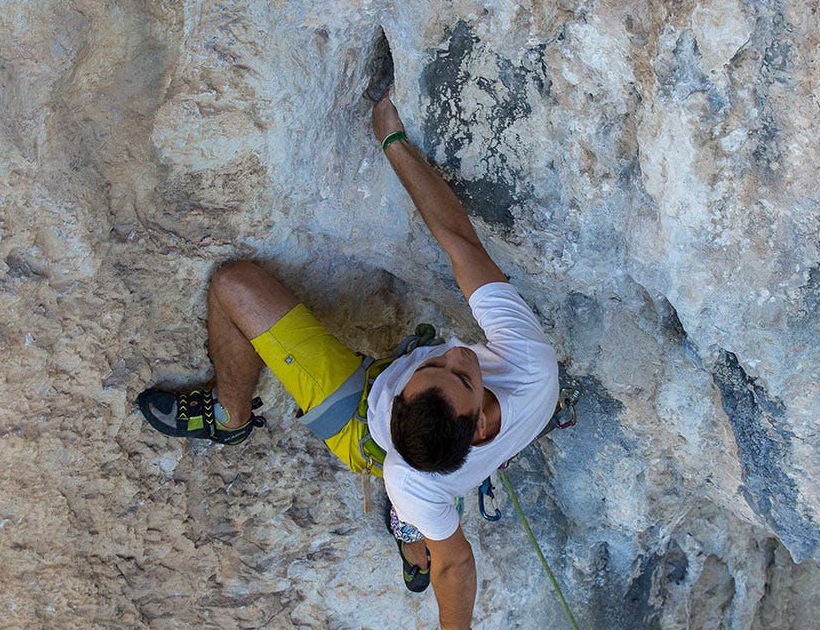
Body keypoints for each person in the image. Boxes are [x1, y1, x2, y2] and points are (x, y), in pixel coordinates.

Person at [137, 93, 560, 630]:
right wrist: (394, 141)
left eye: (456, 372)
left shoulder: (408, 478)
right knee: (421, 513)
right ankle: (411, 541)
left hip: (362, 425)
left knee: (232, 285)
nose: (457, 353)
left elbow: (456, 567)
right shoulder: (531, 367)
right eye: (447, 370)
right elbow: (459, 240)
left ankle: (229, 416)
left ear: (476, 428)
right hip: (438, 468)